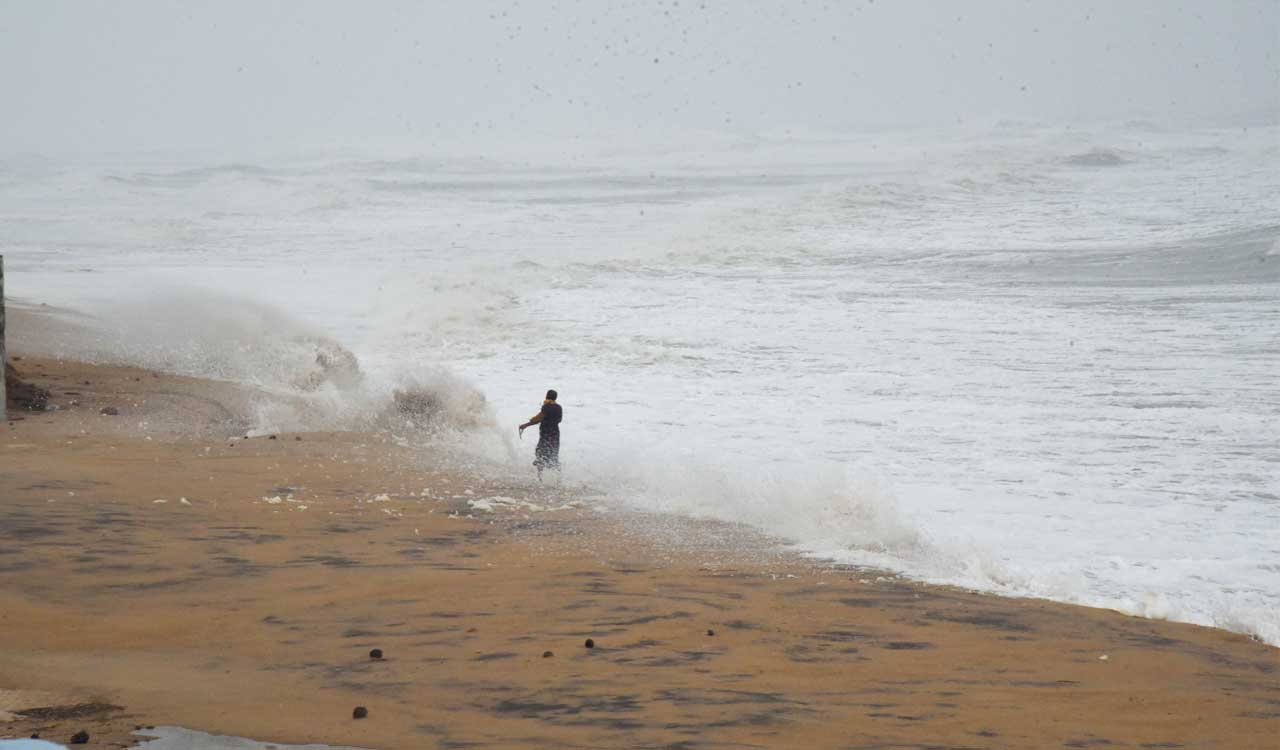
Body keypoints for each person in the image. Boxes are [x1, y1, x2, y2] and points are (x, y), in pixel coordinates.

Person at [519, 389, 563, 479]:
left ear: (547, 396)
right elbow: (559, 420)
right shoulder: (559, 407)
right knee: (553, 455)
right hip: (555, 434)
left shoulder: (546, 407)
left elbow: (538, 418)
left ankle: (540, 477)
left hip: (546, 434)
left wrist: (526, 425)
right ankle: (558, 478)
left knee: (540, 454)